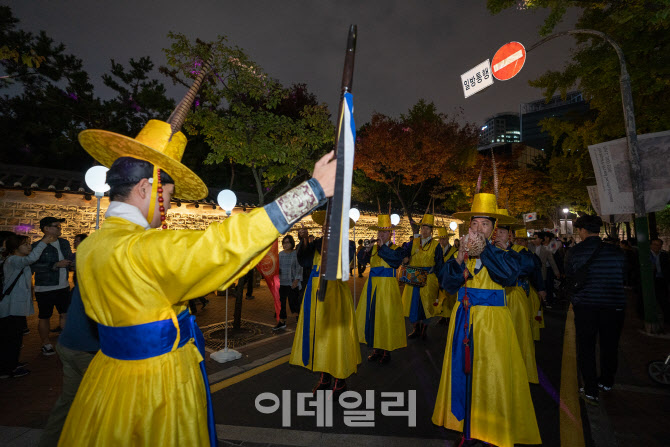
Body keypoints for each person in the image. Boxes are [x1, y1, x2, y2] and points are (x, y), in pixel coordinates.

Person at [57, 77, 338, 446]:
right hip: (155, 387)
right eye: (168, 194)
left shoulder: (93, 244)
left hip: (107, 379)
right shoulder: (140, 248)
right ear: (146, 188)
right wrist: (312, 191)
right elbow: (221, 246)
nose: (169, 204)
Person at [432, 192, 540, 447]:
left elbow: (508, 276)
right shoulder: (463, 255)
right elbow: (447, 284)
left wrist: (486, 250)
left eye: (484, 224)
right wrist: (458, 259)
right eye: (474, 224)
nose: (477, 229)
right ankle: (466, 429)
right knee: (464, 374)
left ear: (494, 230)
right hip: (464, 321)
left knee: (492, 376)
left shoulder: (505, 255)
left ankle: (492, 431)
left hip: (493, 325)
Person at [291, 212, 360, 395]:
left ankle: (340, 378)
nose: (324, 227)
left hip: (335, 295)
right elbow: (305, 260)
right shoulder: (316, 243)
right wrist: (304, 240)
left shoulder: (348, 245)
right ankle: (324, 376)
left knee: (335, 336)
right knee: (318, 335)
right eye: (323, 225)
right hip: (314, 296)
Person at [564, 214, 626, 405]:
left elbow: (570, 278)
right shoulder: (616, 252)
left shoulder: (575, 252)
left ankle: (590, 389)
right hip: (614, 306)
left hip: (586, 306)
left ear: (582, 230)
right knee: (610, 345)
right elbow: (625, 276)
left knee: (586, 347)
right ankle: (607, 382)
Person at [38, 286, 99, 447]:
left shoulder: (89, 270)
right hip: (88, 352)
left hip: (69, 346)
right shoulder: (110, 274)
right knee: (106, 407)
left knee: (67, 404)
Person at [355, 214, 406, 364]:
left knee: (386, 317)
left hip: (387, 287)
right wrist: (366, 249)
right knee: (373, 316)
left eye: (384, 232)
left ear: (390, 233)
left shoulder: (397, 248)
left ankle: (386, 350)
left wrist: (382, 246)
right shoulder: (374, 248)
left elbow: (395, 261)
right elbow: (361, 260)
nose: (381, 235)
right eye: (379, 232)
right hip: (373, 285)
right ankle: (376, 348)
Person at [1, 234, 52, 378]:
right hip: (10, 307)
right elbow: (32, 258)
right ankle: (7, 369)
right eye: (25, 244)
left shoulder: (18, 261)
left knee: (15, 337)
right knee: (11, 338)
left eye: (29, 243)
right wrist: (43, 242)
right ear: (15, 248)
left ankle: (11, 363)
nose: (29, 246)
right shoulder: (13, 260)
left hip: (15, 307)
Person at [496, 218, 539, 384]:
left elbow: (529, 267)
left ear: (510, 236)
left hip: (515, 295)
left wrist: (508, 249)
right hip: (496, 297)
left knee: (519, 333)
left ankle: (520, 370)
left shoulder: (520, 250)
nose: (498, 235)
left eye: (502, 232)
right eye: (496, 231)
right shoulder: (489, 250)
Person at [31, 217, 73, 356]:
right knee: (45, 316)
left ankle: (65, 341)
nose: (59, 228)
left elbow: (68, 260)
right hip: (45, 288)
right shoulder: (37, 246)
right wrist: (55, 265)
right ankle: (45, 343)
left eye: (60, 226)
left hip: (63, 286)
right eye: (56, 226)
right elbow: (34, 266)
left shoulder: (64, 243)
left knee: (65, 314)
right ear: (46, 229)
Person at [401, 212, 443, 339]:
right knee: (414, 304)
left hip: (428, 278)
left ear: (431, 231)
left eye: (427, 228)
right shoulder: (413, 242)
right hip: (414, 276)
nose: (424, 230)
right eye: (423, 228)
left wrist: (435, 271)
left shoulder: (436, 245)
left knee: (426, 304)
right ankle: (416, 328)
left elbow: (440, 262)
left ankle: (424, 329)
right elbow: (404, 252)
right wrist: (405, 258)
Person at [275, 234, 302, 329]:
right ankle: (282, 321)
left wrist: (297, 279)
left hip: (292, 283)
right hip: (282, 282)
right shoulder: (280, 254)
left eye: (288, 242)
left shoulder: (295, 254)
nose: (286, 245)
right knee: (281, 302)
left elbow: (299, 267)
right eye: (284, 243)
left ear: (292, 243)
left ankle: (299, 319)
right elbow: (277, 267)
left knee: (293, 302)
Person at [434, 226, 458, 323]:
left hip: (450, 278)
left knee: (450, 298)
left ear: (447, 239)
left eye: (443, 239)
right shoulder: (438, 251)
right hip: (440, 278)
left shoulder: (454, 251)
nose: (441, 241)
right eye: (440, 239)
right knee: (442, 297)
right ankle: (443, 316)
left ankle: (451, 317)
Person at [650, 238, 670, 328]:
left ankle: (666, 319)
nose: (656, 247)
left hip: (661, 280)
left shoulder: (664, 255)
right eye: (654, 244)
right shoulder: (647, 255)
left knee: (664, 300)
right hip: (651, 280)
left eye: (658, 245)